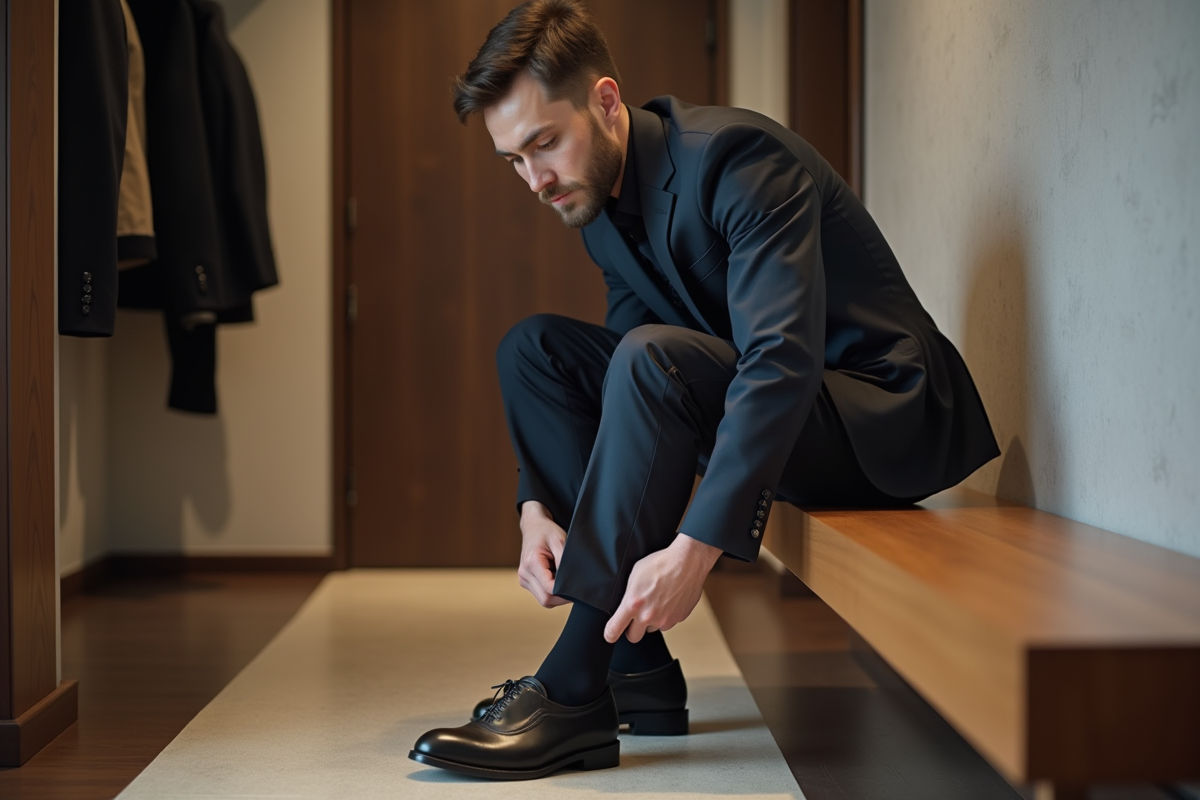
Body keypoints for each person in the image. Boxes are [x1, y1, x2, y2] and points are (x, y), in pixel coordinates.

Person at [409, 0, 999, 780]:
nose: (535, 179)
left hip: (881, 416)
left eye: (545, 143)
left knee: (654, 358)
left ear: (607, 102)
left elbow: (779, 359)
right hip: (783, 408)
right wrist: (536, 508)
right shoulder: (596, 206)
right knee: (536, 351)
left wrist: (695, 549)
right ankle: (638, 667)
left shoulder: (736, 159)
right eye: (513, 159)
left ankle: (573, 689)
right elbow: (618, 377)